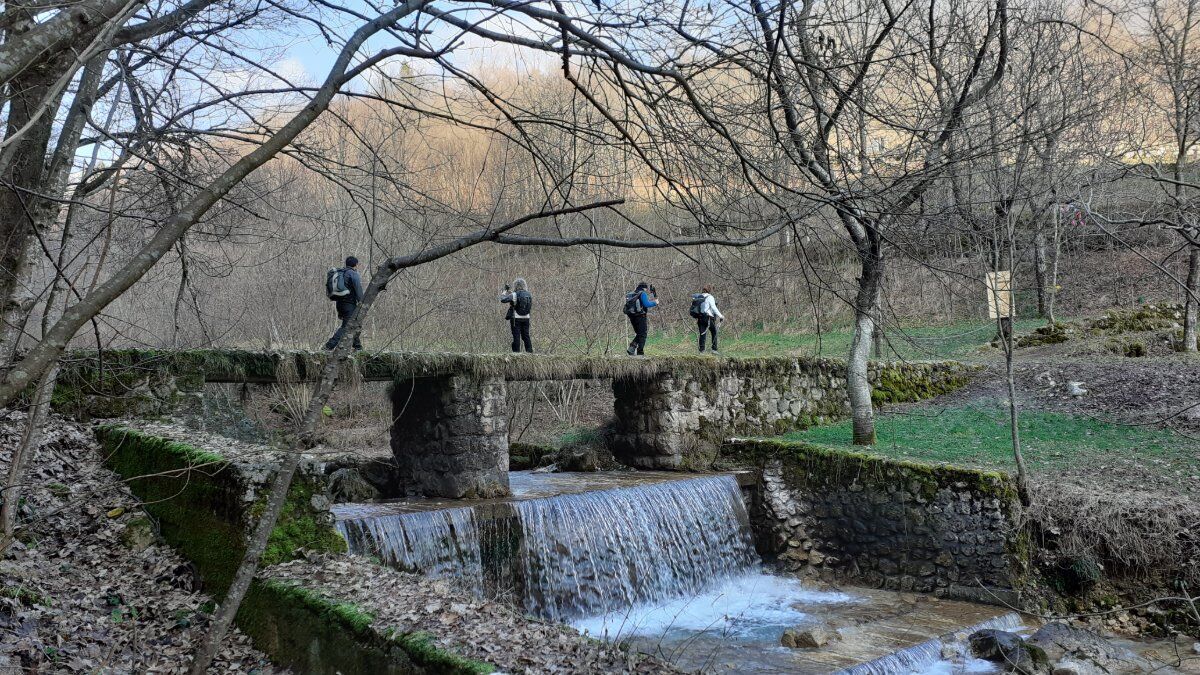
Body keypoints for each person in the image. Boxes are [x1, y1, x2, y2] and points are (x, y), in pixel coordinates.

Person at [324, 256, 365, 351]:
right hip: (349, 304)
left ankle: (358, 347)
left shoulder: (342, 273)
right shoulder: (353, 274)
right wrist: (362, 302)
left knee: (353, 324)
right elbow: (358, 289)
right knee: (346, 326)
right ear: (356, 264)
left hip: (340, 304)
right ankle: (328, 346)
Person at [624, 282, 659, 356]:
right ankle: (640, 352)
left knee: (639, 333)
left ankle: (632, 348)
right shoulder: (642, 293)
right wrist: (655, 303)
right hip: (640, 316)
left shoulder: (630, 294)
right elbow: (646, 304)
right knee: (643, 334)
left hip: (632, 317)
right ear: (644, 288)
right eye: (646, 288)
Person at [500, 277, 533, 353]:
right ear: (524, 285)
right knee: (526, 336)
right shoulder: (529, 294)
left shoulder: (514, 294)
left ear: (515, 285)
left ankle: (516, 353)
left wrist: (504, 292)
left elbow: (503, 299)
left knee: (516, 335)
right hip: (526, 318)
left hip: (516, 318)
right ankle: (530, 352)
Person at [691, 285, 725, 353]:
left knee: (702, 333)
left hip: (700, 318)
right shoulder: (710, 297)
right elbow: (713, 307)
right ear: (709, 290)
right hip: (708, 318)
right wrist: (721, 316)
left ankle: (702, 350)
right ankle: (714, 349)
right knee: (714, 332)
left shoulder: (698, 297)